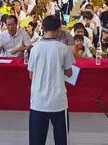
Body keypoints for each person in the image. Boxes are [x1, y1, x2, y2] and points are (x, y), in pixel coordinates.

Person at [28, 15, 74, 145]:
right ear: (58, 29)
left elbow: (31, 75)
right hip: (58, 101)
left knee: (37, 139)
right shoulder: (63, 49)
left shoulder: (35, 49)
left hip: (38, 100)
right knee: (61, 139)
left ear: (44, 28)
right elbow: (69, 72)